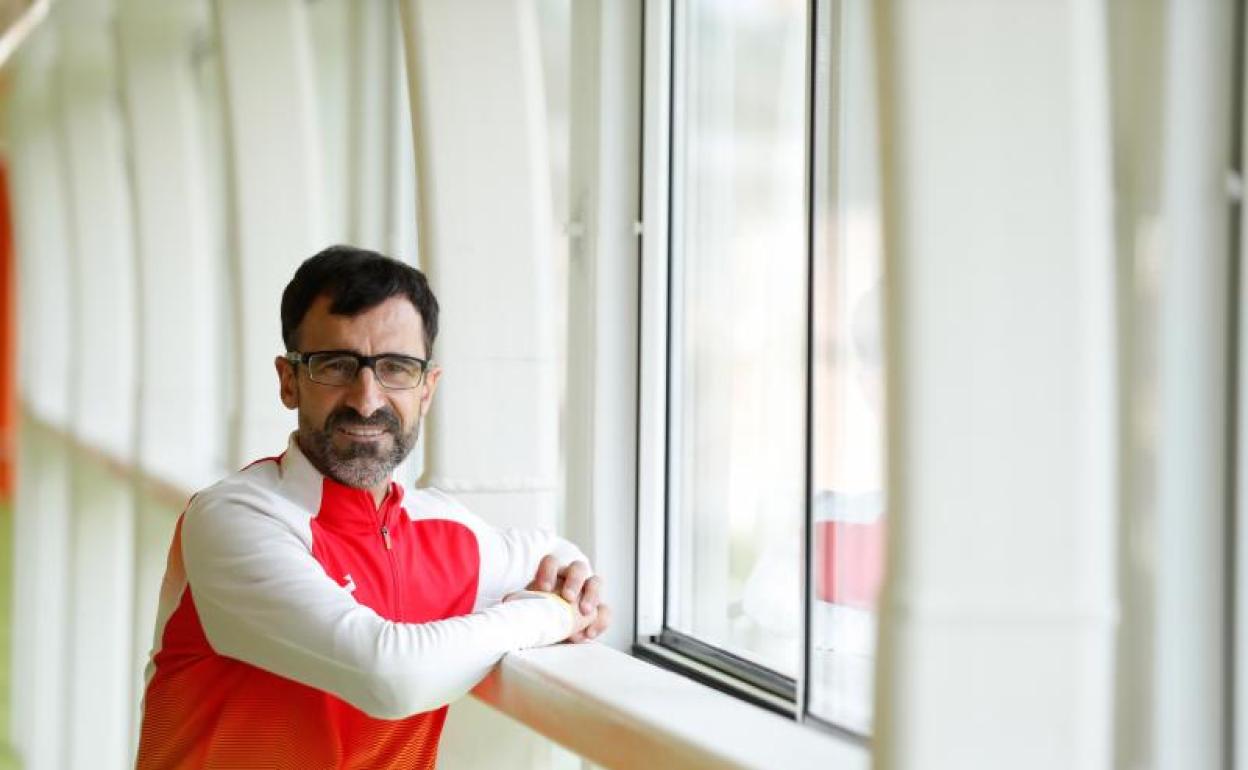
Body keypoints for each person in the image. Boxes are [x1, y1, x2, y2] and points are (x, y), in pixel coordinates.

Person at [135, 245, 609, 769]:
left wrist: (573, 588)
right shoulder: (234, 519)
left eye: (395, 368)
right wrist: (549, 613)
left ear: (427, 389)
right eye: (336, 366)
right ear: (289, 381)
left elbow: (555, 557)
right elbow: (389, 676)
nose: (366, 399)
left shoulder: (449, 533)